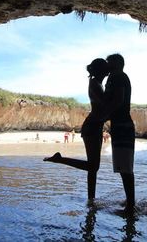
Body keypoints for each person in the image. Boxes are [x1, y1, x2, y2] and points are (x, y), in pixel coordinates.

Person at [44, 58, 109, 201]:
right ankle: (60, 159)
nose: (108, 71)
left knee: (93, 168)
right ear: (100, 70)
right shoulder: (95, 83)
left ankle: (91, 199)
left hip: (95, 126)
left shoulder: (97, 83)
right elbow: (104, 106)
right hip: (92, 127)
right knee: (93, 167)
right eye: (106, 69)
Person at [102, 53, 136, 212]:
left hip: (122, 125)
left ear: (116, 64)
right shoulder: (117, 76)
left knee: (125, 167)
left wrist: (101, 117)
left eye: (109, 63)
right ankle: (130, 201)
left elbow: (117, 100)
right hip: (121, 125)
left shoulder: (118, 76)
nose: (106, 65)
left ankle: (130, 205)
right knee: (124, 167)